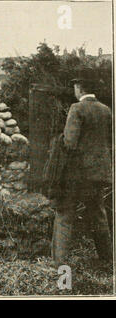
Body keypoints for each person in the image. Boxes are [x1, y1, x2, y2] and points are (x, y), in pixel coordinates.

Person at [51, 73, 113, 266]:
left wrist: (58, 141)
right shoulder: (106, 110)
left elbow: (69, 143)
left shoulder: (76, 108)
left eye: (75, 87)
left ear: (79, 87)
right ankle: (107, 259)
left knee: (64, 215)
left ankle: (59, 262)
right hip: (100, 175)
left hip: (77, 175)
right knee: (98, 215)